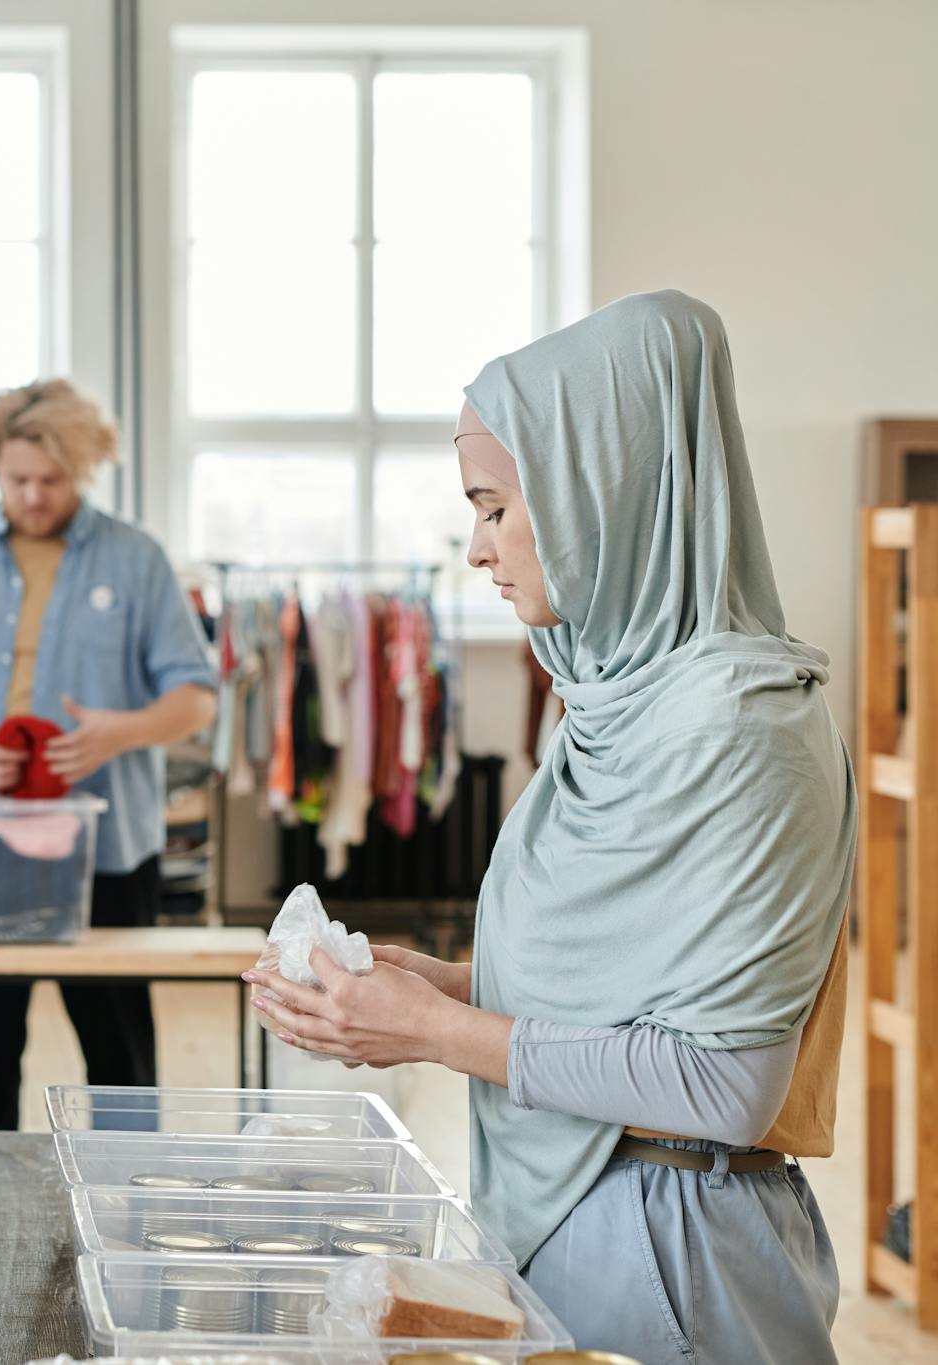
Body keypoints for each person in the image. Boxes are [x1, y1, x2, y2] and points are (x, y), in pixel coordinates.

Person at [244, 291, 853, 1365]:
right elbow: (627, 985)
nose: (478, 550)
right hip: (587, 1212)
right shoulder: (614, 700)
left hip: (673, 1246)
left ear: (594, 498)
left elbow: (723, 1085)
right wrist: (431, 985)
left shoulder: (742, 732)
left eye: (492, 508)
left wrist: (433, 1035)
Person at [0, 378, 216, 1129]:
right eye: (16, 479)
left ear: (86, 468)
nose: (32, 495)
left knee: (121, 1063)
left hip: (106, 852)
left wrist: (117, 732)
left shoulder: (136, 559)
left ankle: (128, 1206)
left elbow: (197, 695)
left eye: (51, 481)